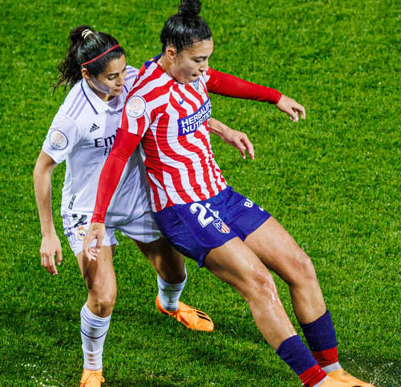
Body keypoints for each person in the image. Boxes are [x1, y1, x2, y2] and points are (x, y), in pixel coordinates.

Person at [83, 0, 375, 386]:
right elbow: (118, 156)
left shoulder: (193, 75)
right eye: (198, 60)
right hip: (181, 208)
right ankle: (315, 382)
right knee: (259, 282)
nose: (205, 69)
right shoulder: (143, 99)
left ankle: (334, 371)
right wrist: (98, 220)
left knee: (301, 266)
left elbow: (219, 83)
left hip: (220, 194)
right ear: (171, 54)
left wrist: (273, 97)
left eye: (207, 59)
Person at [33, 25, 255, 387]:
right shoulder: (72, 117)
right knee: (103, 297)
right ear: (87, 74)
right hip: (89, 213)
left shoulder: (134, 81)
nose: (122, 82)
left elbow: (168, 108)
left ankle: (168, 305)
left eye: (123, 71)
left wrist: (221, 129)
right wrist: (48, 235)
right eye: (111, 77)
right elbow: (42, 171)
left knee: (175, 274)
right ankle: (92, 366)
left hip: (139, 200)